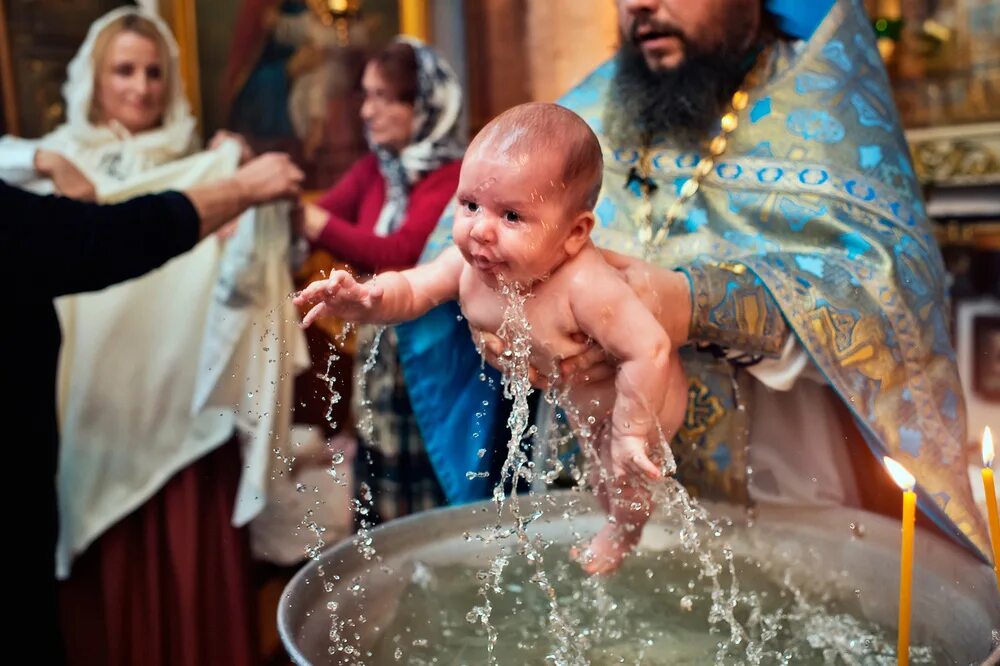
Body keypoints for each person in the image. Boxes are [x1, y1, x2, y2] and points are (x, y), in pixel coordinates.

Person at [397, 0, 991, 562]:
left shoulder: (825, 108)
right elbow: (455, 257)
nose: (642, 5)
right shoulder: (596, 110)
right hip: (588, 482)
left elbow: (889, 298)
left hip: (781, 500)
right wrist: (496, 322)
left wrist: (693, 303)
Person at [0, 7, 307, 663]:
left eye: (153, 73)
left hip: (179, 416)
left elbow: (245, 271)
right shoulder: (55, 163)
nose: (140, 87)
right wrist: (44, 156)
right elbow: (111, 238)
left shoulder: (201, 167)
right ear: (93, 78)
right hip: (93, 418)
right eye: (124, 71)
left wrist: (237, 204)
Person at [297, 103, 688, 572]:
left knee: (619, 482)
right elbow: (413, 288)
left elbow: (650, 348)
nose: (480, 230)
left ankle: (626, 531)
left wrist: (630, 431)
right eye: (470, 205)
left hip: (639, 402)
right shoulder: (471, 265)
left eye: (511, 217)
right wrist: (364, 299)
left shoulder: (585, 285)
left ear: (574, 233)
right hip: (576, 403)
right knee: (592, 479)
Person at [295, 36, 464, 523]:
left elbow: (402, 253)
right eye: (365, 95)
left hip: (431, 356)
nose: (367, 111)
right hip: (379, 353)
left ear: (426, 104)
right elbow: (317, 220)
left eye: (384, 98)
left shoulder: (453, 177)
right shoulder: (376, 170)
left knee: (430, 488)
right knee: (379, 485)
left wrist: (314, 223)